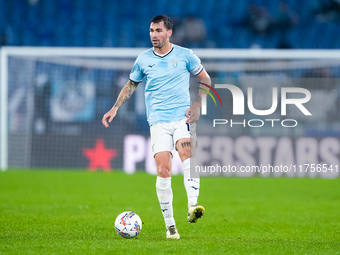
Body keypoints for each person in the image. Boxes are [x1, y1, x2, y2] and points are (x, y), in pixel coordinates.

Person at [102, 15, 211, 239]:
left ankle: (193, 206)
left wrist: (198, 103)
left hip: (183, 118)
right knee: (163, 170)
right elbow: (131, 85)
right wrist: (115, 108)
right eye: (151, 30)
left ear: (169, 32)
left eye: (159, 30)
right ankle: (170, 226)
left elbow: (205, 79)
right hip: (158, 122)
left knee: (187, 154)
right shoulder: (143, 60)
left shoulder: (185, 55)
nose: (154, 35)